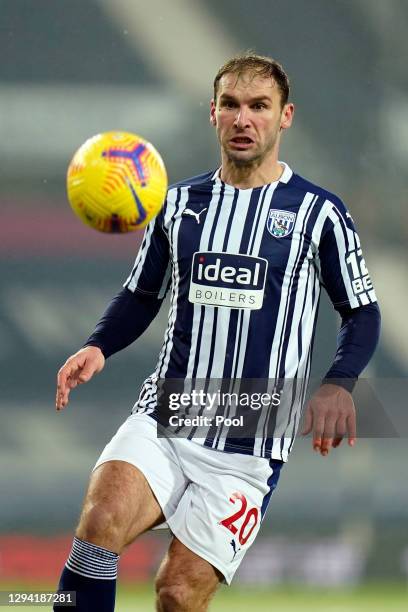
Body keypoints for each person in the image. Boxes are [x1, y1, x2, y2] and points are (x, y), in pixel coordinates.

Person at [54, 53, 381, 611]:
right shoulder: (178, 204)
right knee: (100, 521)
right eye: (230, 105)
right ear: (213, 114)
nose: (243, 118)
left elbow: (362, 311)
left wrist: (339, 381)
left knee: (177, 595)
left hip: (251, 437)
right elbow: (140, 294)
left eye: (259, 106)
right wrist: (98, 343)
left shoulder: (317, 213)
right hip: (170, 410)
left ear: (285, 117)